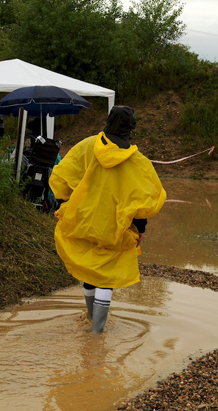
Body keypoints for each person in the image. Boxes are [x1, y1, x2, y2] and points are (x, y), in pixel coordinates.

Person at [49, 106, 166, 333]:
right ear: (131, 129)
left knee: (91, 271)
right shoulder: (137, 161)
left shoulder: (86, 146)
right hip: (115, 227)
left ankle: (90, 318)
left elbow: (63, 176)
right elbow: (144, 200)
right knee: (107, 276)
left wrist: (63, 205)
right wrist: (140, 228)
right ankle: (97, 332)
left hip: (82, 220)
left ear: (108, 121)